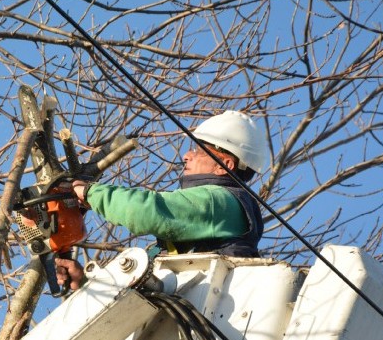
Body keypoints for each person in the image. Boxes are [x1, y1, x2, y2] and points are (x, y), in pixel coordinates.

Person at [55, 110, 269, 291]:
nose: (187, 155)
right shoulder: (208, 221)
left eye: (198, 150)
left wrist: (90, 192)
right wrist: (85, 283)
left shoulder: (220, 201)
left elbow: (148, 211)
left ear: (224, 165)